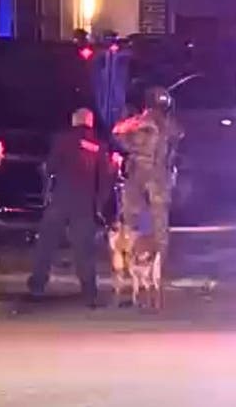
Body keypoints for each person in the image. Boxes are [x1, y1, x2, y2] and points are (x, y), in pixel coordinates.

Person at [28, 108, 115, 305]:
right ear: (90, 123)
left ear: (74, 121)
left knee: (47, 243)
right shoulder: (99, 145)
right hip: (85, 203)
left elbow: (50, 167)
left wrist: (45, 173)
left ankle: (38, 285)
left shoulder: (62, 139)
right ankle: (89, 291)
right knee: (84, 248)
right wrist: (98, 204)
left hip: (61, 199)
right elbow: (105, 179)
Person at [113, 86, 184, 259]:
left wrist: (131, 147)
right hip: (159, 174)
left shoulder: (136, 122)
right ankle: (158, 257)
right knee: (159, 217)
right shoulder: (170, 124)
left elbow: (117, 134)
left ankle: (131, 253)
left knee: (131, 215)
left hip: (137, 171)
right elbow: (179, 136)